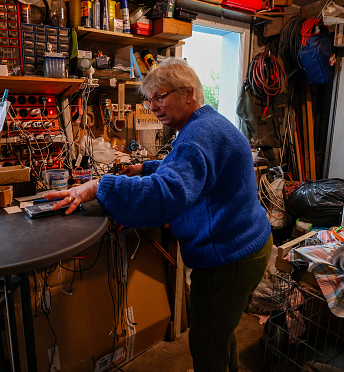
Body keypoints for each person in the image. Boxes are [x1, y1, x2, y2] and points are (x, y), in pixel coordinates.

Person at [46, 58, 272, 372]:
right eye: (150, 99)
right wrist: (147, 167)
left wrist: (101, 186)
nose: (153, 106)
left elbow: (166, 195)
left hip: (229, 257)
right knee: (221, 334)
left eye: (160, 96)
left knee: (207, 341)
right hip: (244, 244)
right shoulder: (204, 125)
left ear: (188, 93)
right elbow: (193, 169)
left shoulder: (196, 136)